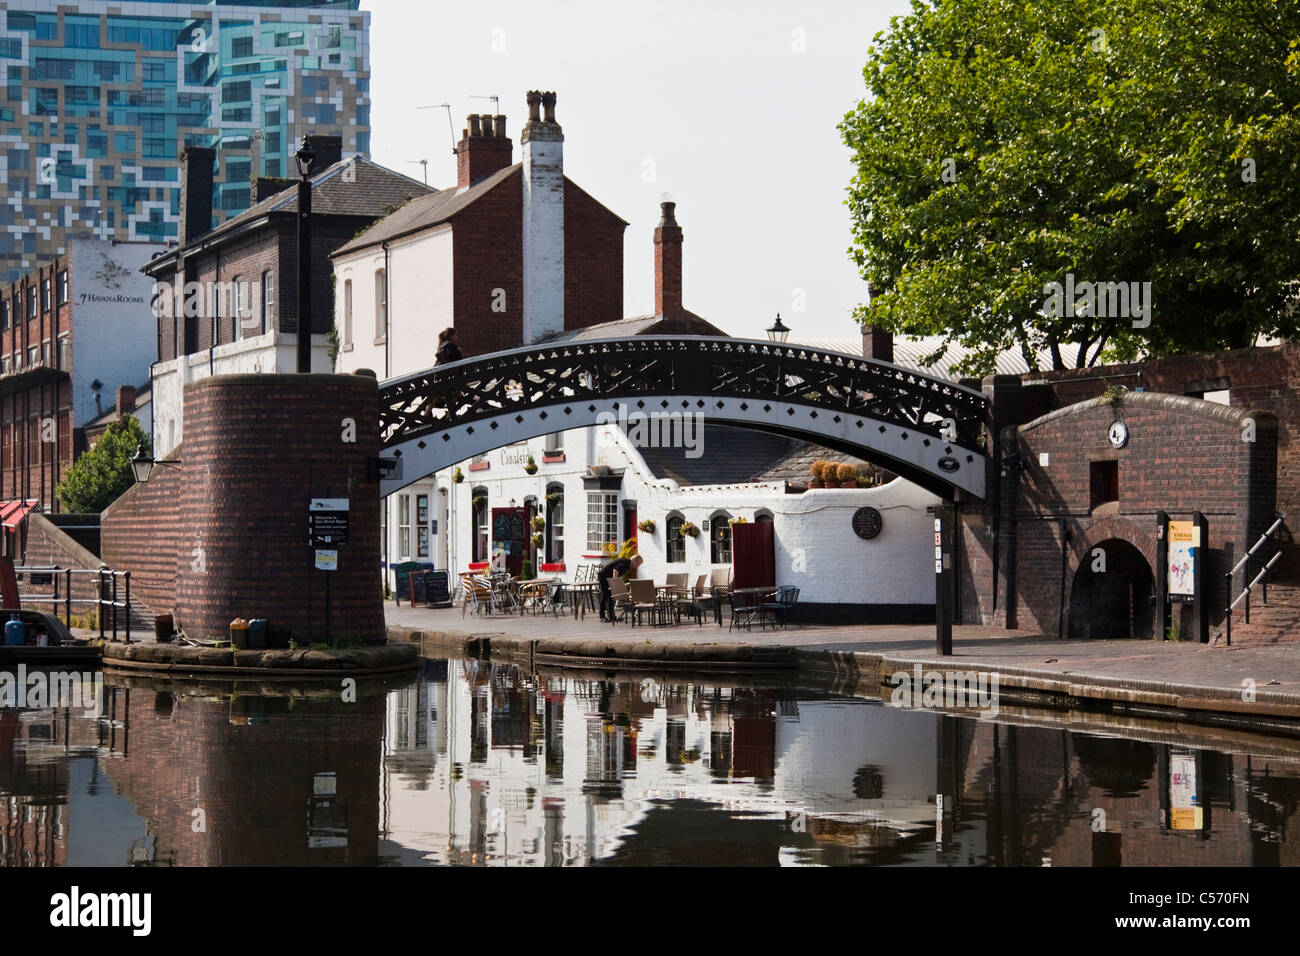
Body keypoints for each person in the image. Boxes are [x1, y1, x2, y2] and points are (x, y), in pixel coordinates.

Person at [597, 554, 643, 622]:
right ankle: (602, 616)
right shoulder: (627, 563)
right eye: (638, 564)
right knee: (605, 595)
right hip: (604, 576)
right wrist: (614, 583)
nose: (638, 566)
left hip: (607, 577)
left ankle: (612, 616)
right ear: (634, 561)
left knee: (611, 597)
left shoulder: (627, 563)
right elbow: (615, 570)